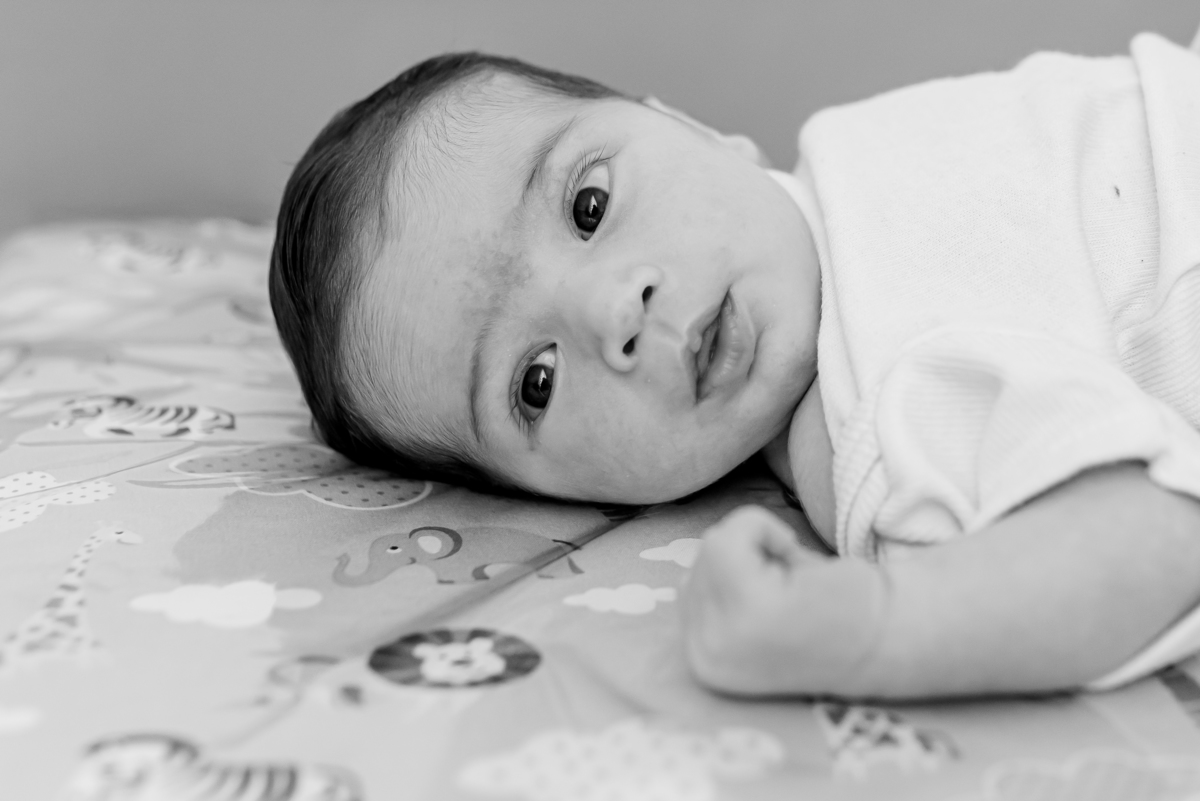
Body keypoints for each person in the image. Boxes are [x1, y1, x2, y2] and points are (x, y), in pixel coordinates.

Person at [269, 33, 1200, 700]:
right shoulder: (874, 410)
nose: (610, 311)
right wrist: (874, 624)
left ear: (687, 125)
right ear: (542, 492)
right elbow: (1156, 531)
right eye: (534, 383)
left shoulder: (850, 159)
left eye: (588, 202)